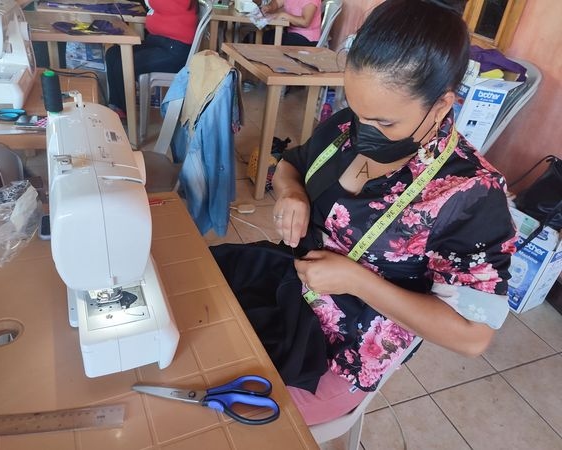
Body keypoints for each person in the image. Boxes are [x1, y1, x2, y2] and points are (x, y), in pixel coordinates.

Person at [211, 0, 517, 426]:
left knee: (219, 413)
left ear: (442, 104)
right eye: (357, 111)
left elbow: (472, 337)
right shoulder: (345, 128)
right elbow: (291, 165)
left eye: (385, 123)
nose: (364, 131)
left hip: (341, 352)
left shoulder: (470, 194)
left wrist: (357, 281)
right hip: (284, 286)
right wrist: (292, 193)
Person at [104, 0, 198, 117]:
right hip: (158, 41)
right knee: (112, 54)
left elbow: (182, 3)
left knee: (123, 63)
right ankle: (116, 106)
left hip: (175, 49)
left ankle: (122, 112)